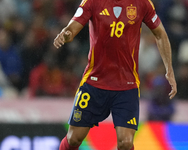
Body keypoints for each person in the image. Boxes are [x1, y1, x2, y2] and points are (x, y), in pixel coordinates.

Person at [53, 0, 177, 149]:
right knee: (73, 139)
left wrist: (169, 68)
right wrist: (65, 34)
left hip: (127, 85)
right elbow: (72, 29)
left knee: (125, 143)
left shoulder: (142, 3)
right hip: (94, 82)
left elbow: (160, 34)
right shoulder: (92, 2)